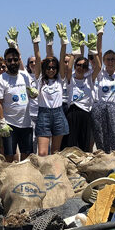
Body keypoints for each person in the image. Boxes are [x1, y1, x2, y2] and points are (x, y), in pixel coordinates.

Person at [29, 22, 69, 156]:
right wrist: (36, 41)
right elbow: (38, 56)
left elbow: (63, 58)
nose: (51, 70)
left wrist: (64, 42)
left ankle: (54, 175)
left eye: (53, 67)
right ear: (44, 69)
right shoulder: (39, 79)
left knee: (56, 152)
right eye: (48, 67)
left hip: (58, 114)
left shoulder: (60, 79)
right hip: (43, 115)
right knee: (42, 153)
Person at [90, 16, 115, 154]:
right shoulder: (100, 73)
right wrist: (99, 33)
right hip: (100, 108)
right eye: (108, 59)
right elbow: (98, 53)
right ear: (104, 61)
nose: (111, 61)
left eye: (113, 59)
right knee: (102, 142)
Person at [0, 45, 34, 162]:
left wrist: (33, 94)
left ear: (19, 60)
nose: (13, 62)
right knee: (9, 156)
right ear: (6, 62)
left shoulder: (25, 76)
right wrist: (2, 123)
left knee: (26, 155)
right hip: (9, 125)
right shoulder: (1, 79)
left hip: (26, 123)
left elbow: (30, 94)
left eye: (15, 60)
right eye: (10, 60)